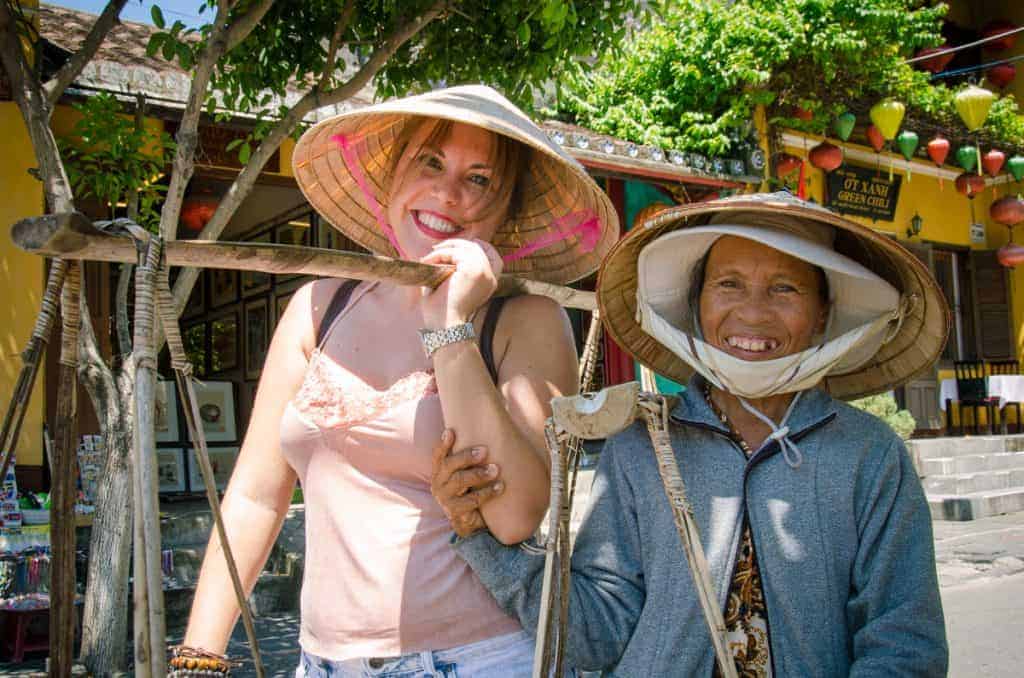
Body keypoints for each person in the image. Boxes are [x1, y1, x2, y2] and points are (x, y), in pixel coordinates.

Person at [176, 85, 618, 677]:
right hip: (323, 664)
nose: (448, 193)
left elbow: (515, 515)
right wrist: (199, 656)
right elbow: (256, 497)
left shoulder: (526, 322)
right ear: (391, 177)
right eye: (430, 162)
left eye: (480, 179)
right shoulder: (317, 308)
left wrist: (451, 325)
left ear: (506, 211)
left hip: (475, 660)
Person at [432, 192, 951, 677]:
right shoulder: (641, 445)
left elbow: (904, 641)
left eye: (785, 288)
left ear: (823, 315)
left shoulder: (870, 456)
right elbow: (597, 632)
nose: (753, 311)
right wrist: (479, 537)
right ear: (696, 307)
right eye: (729, 285)